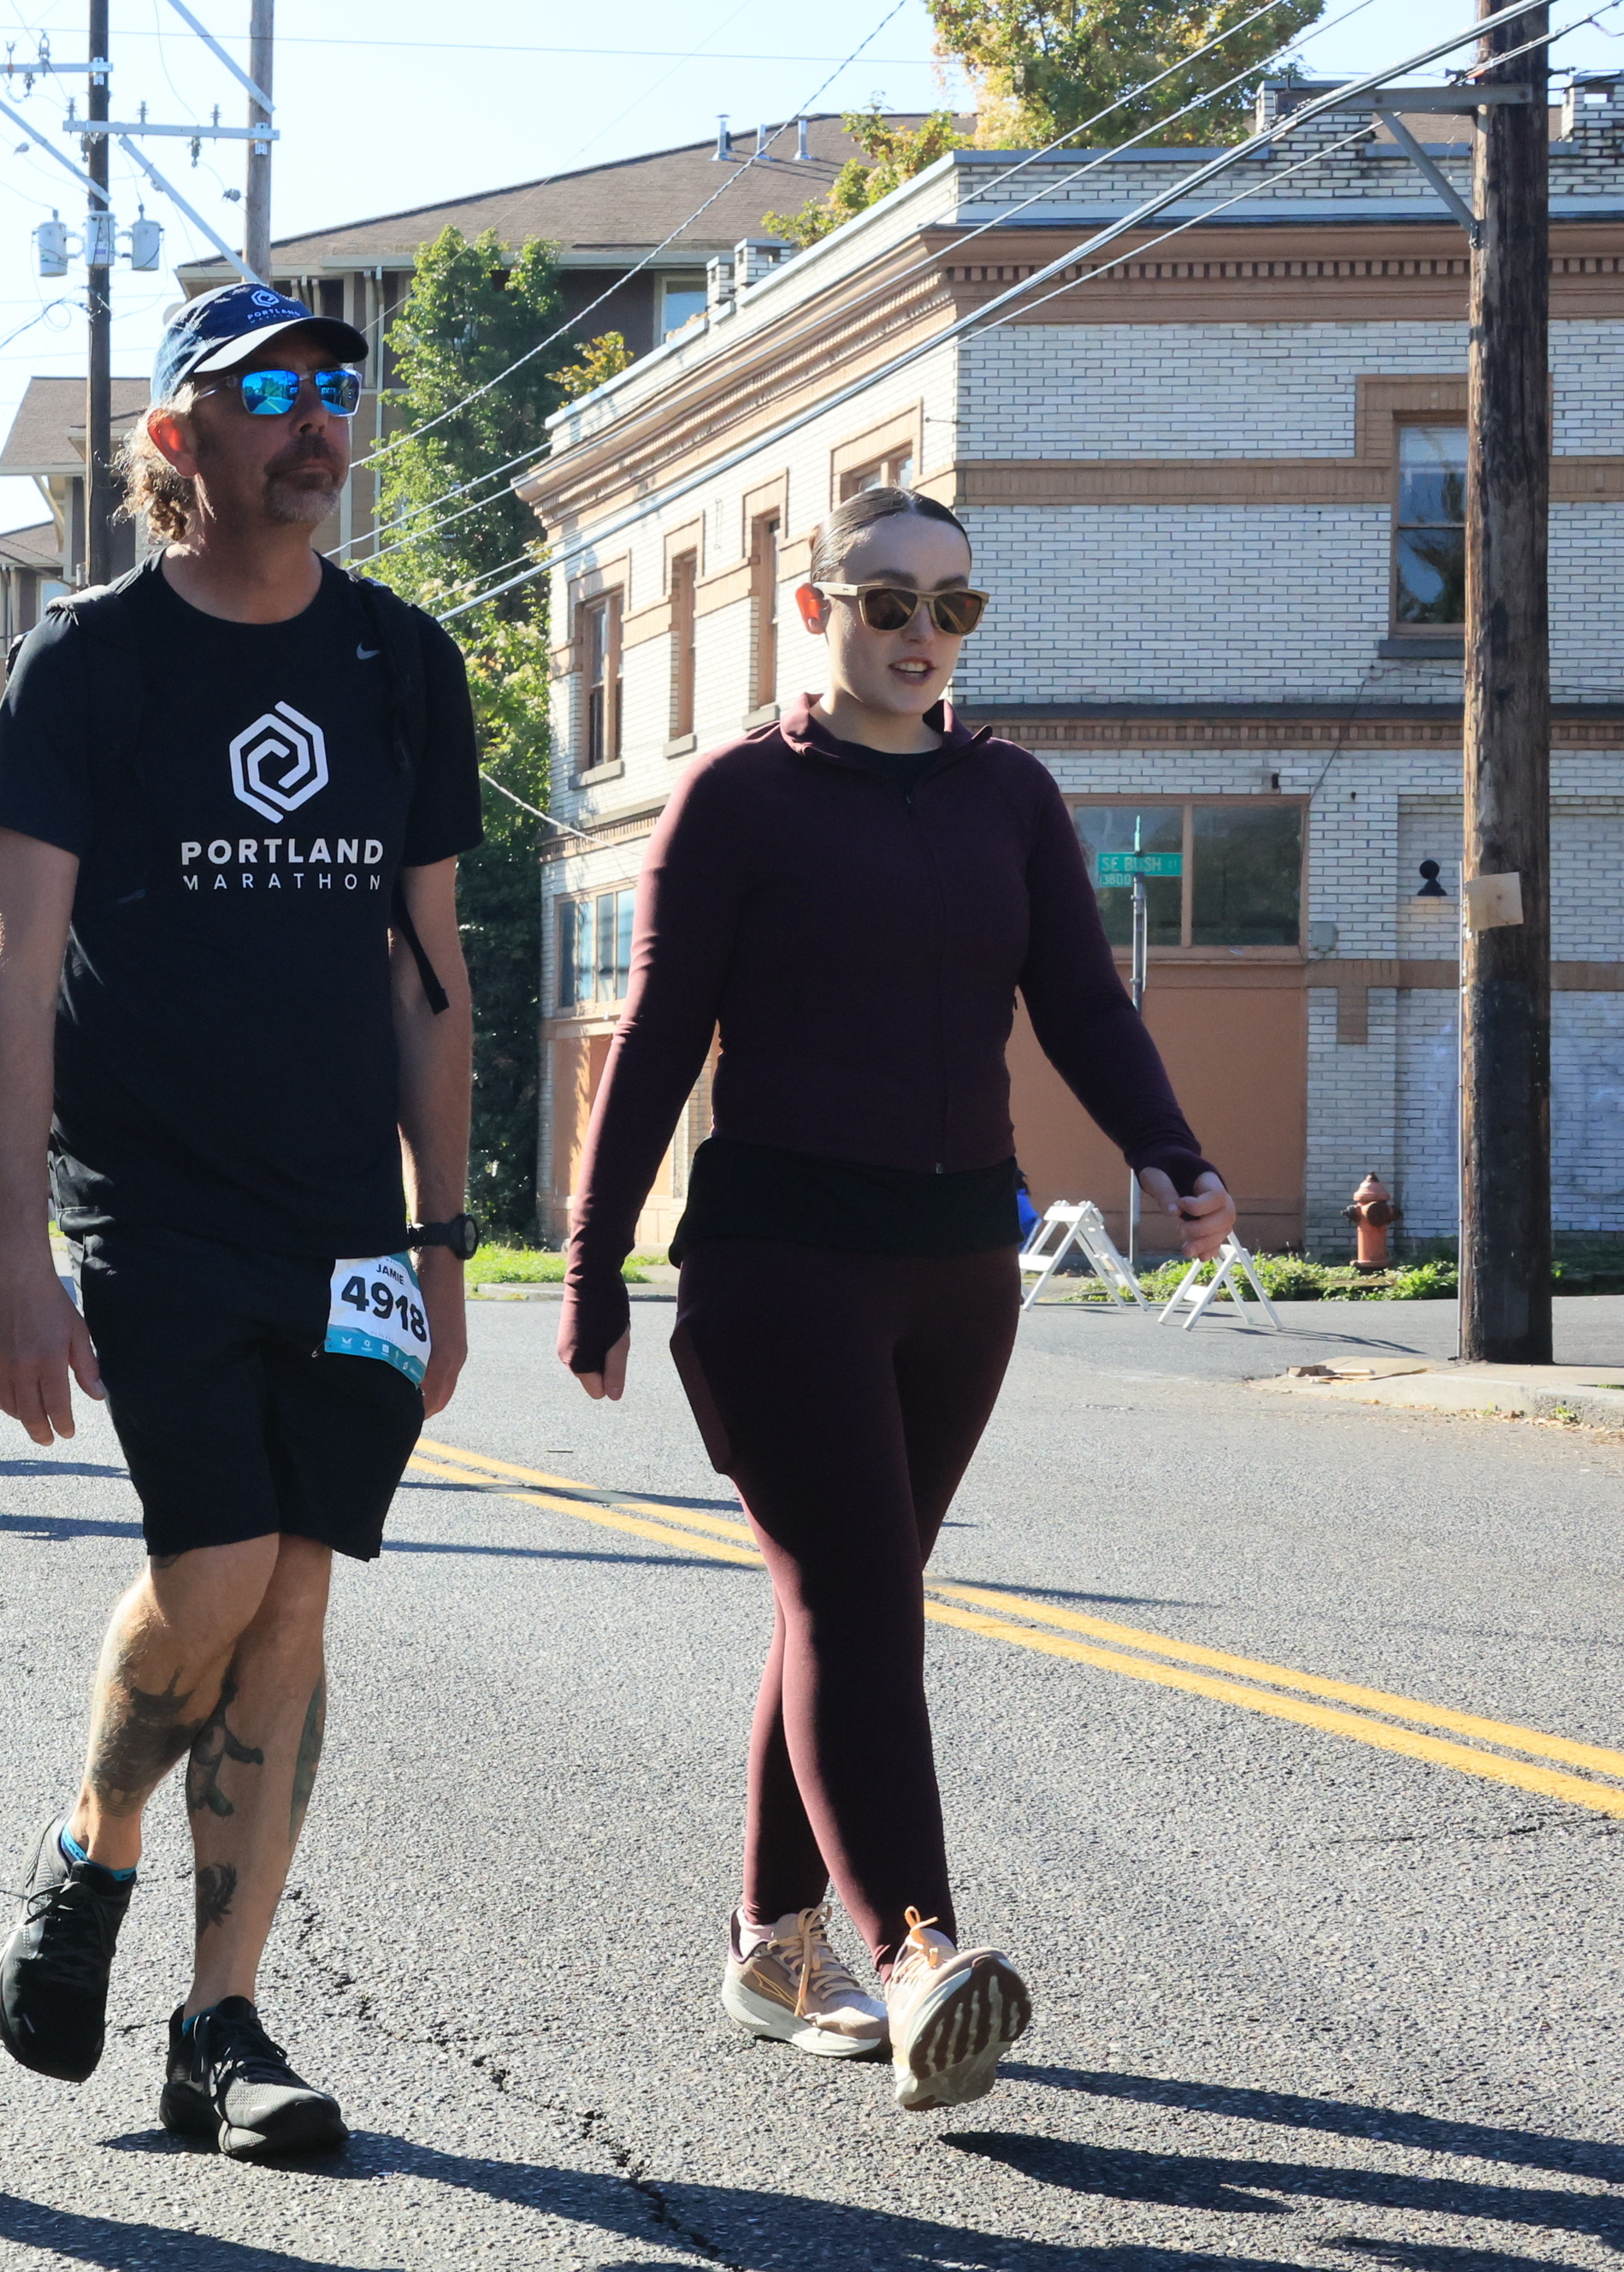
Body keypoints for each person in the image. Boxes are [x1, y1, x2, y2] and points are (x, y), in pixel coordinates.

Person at [558, 485, 1236, 2114]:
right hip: (775, 1259)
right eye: (884, 602)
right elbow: (654, 1037)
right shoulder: (734, 798)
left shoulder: (1006, 795)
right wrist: (591, 1264)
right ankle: (915, 1949)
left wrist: (1164, 1147)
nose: (919, 634)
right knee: (858, 1601)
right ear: (814, 611)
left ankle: (766, 1940)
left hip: (952, 1270)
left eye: (950, 607)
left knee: (842, 1603)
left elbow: (1076, 996)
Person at [0, 283, 481, 2160]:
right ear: (177, 437)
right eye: (271, 389)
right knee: (216, 1567)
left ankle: (219, 2023)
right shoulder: (87, 666)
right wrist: (15, 1262)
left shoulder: (401, 661)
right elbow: (15, 980)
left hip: (344, 1221)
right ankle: (92, 1839)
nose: (316, 417)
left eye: (334, 383)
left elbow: (429, 976)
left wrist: (441, 1241)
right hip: (154, 1201)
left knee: (298, 1591)